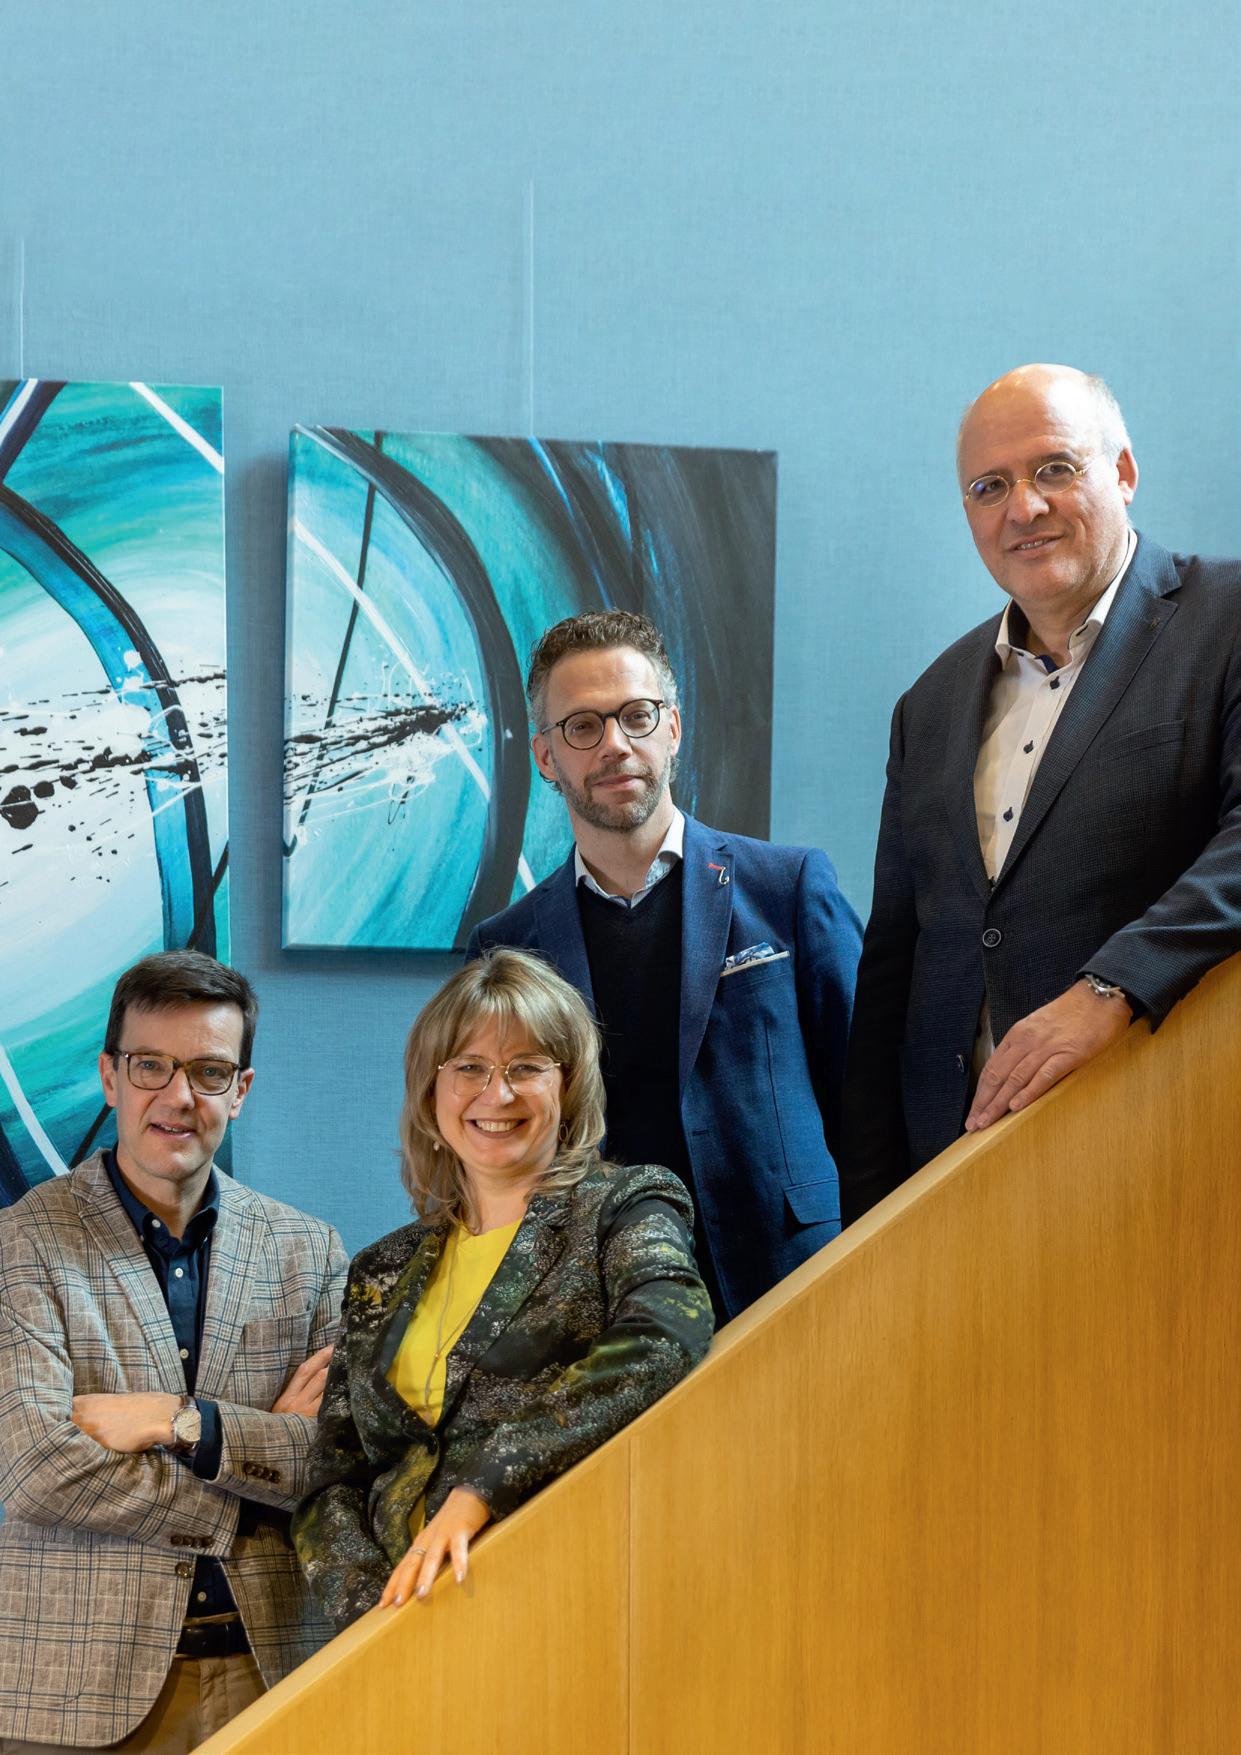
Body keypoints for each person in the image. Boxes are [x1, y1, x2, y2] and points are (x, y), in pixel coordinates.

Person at [841, 363, 1241, 1219]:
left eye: (1053, 468)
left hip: (1162, 1155)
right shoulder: (929, 704)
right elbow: (896, 962)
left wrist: (1112, 987)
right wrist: (869, 1211)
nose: (1021, 508)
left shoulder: (1227, 619)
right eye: (988, 487)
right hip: (954, 1183)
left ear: (1122, 472)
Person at [292, 948, 712, 1626]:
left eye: (526, 1066)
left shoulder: (625, 1206)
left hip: (558, 1600)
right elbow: (332, 1479)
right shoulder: (380, 1269)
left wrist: (482, 1486)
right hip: (397, 1631)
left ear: (567, 1086)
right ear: (430, 1091)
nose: (498, 1094)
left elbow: (666, 1334)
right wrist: (370, 1613)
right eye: (469, 1068)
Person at [465, 611, 862, 1320]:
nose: (615, 744)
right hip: (602, 1311)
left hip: (795, 1282)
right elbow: (495, 1151)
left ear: (672, 729)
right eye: (582, 726)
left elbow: (868, 1096)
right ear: (546, 757)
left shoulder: (788, 887)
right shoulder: (506, 948)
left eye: (636, 716)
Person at [0, 951, 348, 1753]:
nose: (178, 1095)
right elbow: (36, 1469)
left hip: (274, 1673)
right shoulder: (23, 1241)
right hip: (73, 1692)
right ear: (110, 1076)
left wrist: (183, 1422)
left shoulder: (309, 1250)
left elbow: (335, 1457)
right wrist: (251, 1492)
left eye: (208, 1071)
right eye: (150, 1065)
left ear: (241, 1089)